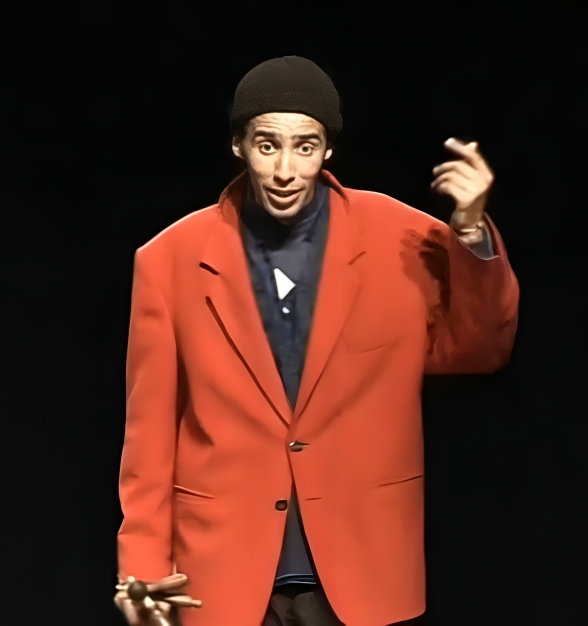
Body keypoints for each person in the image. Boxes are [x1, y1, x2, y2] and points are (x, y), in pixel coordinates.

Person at [114, 56, 519, 626]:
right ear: (238, 145)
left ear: (328, 150)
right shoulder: (169, 260)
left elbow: (480, 349)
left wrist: (471, 230)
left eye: (304, 147)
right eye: (267, 145)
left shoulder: (398, 239)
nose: (285, 169)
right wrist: (141, 570)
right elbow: (149, 435)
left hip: (362, 568)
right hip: (221, 575)